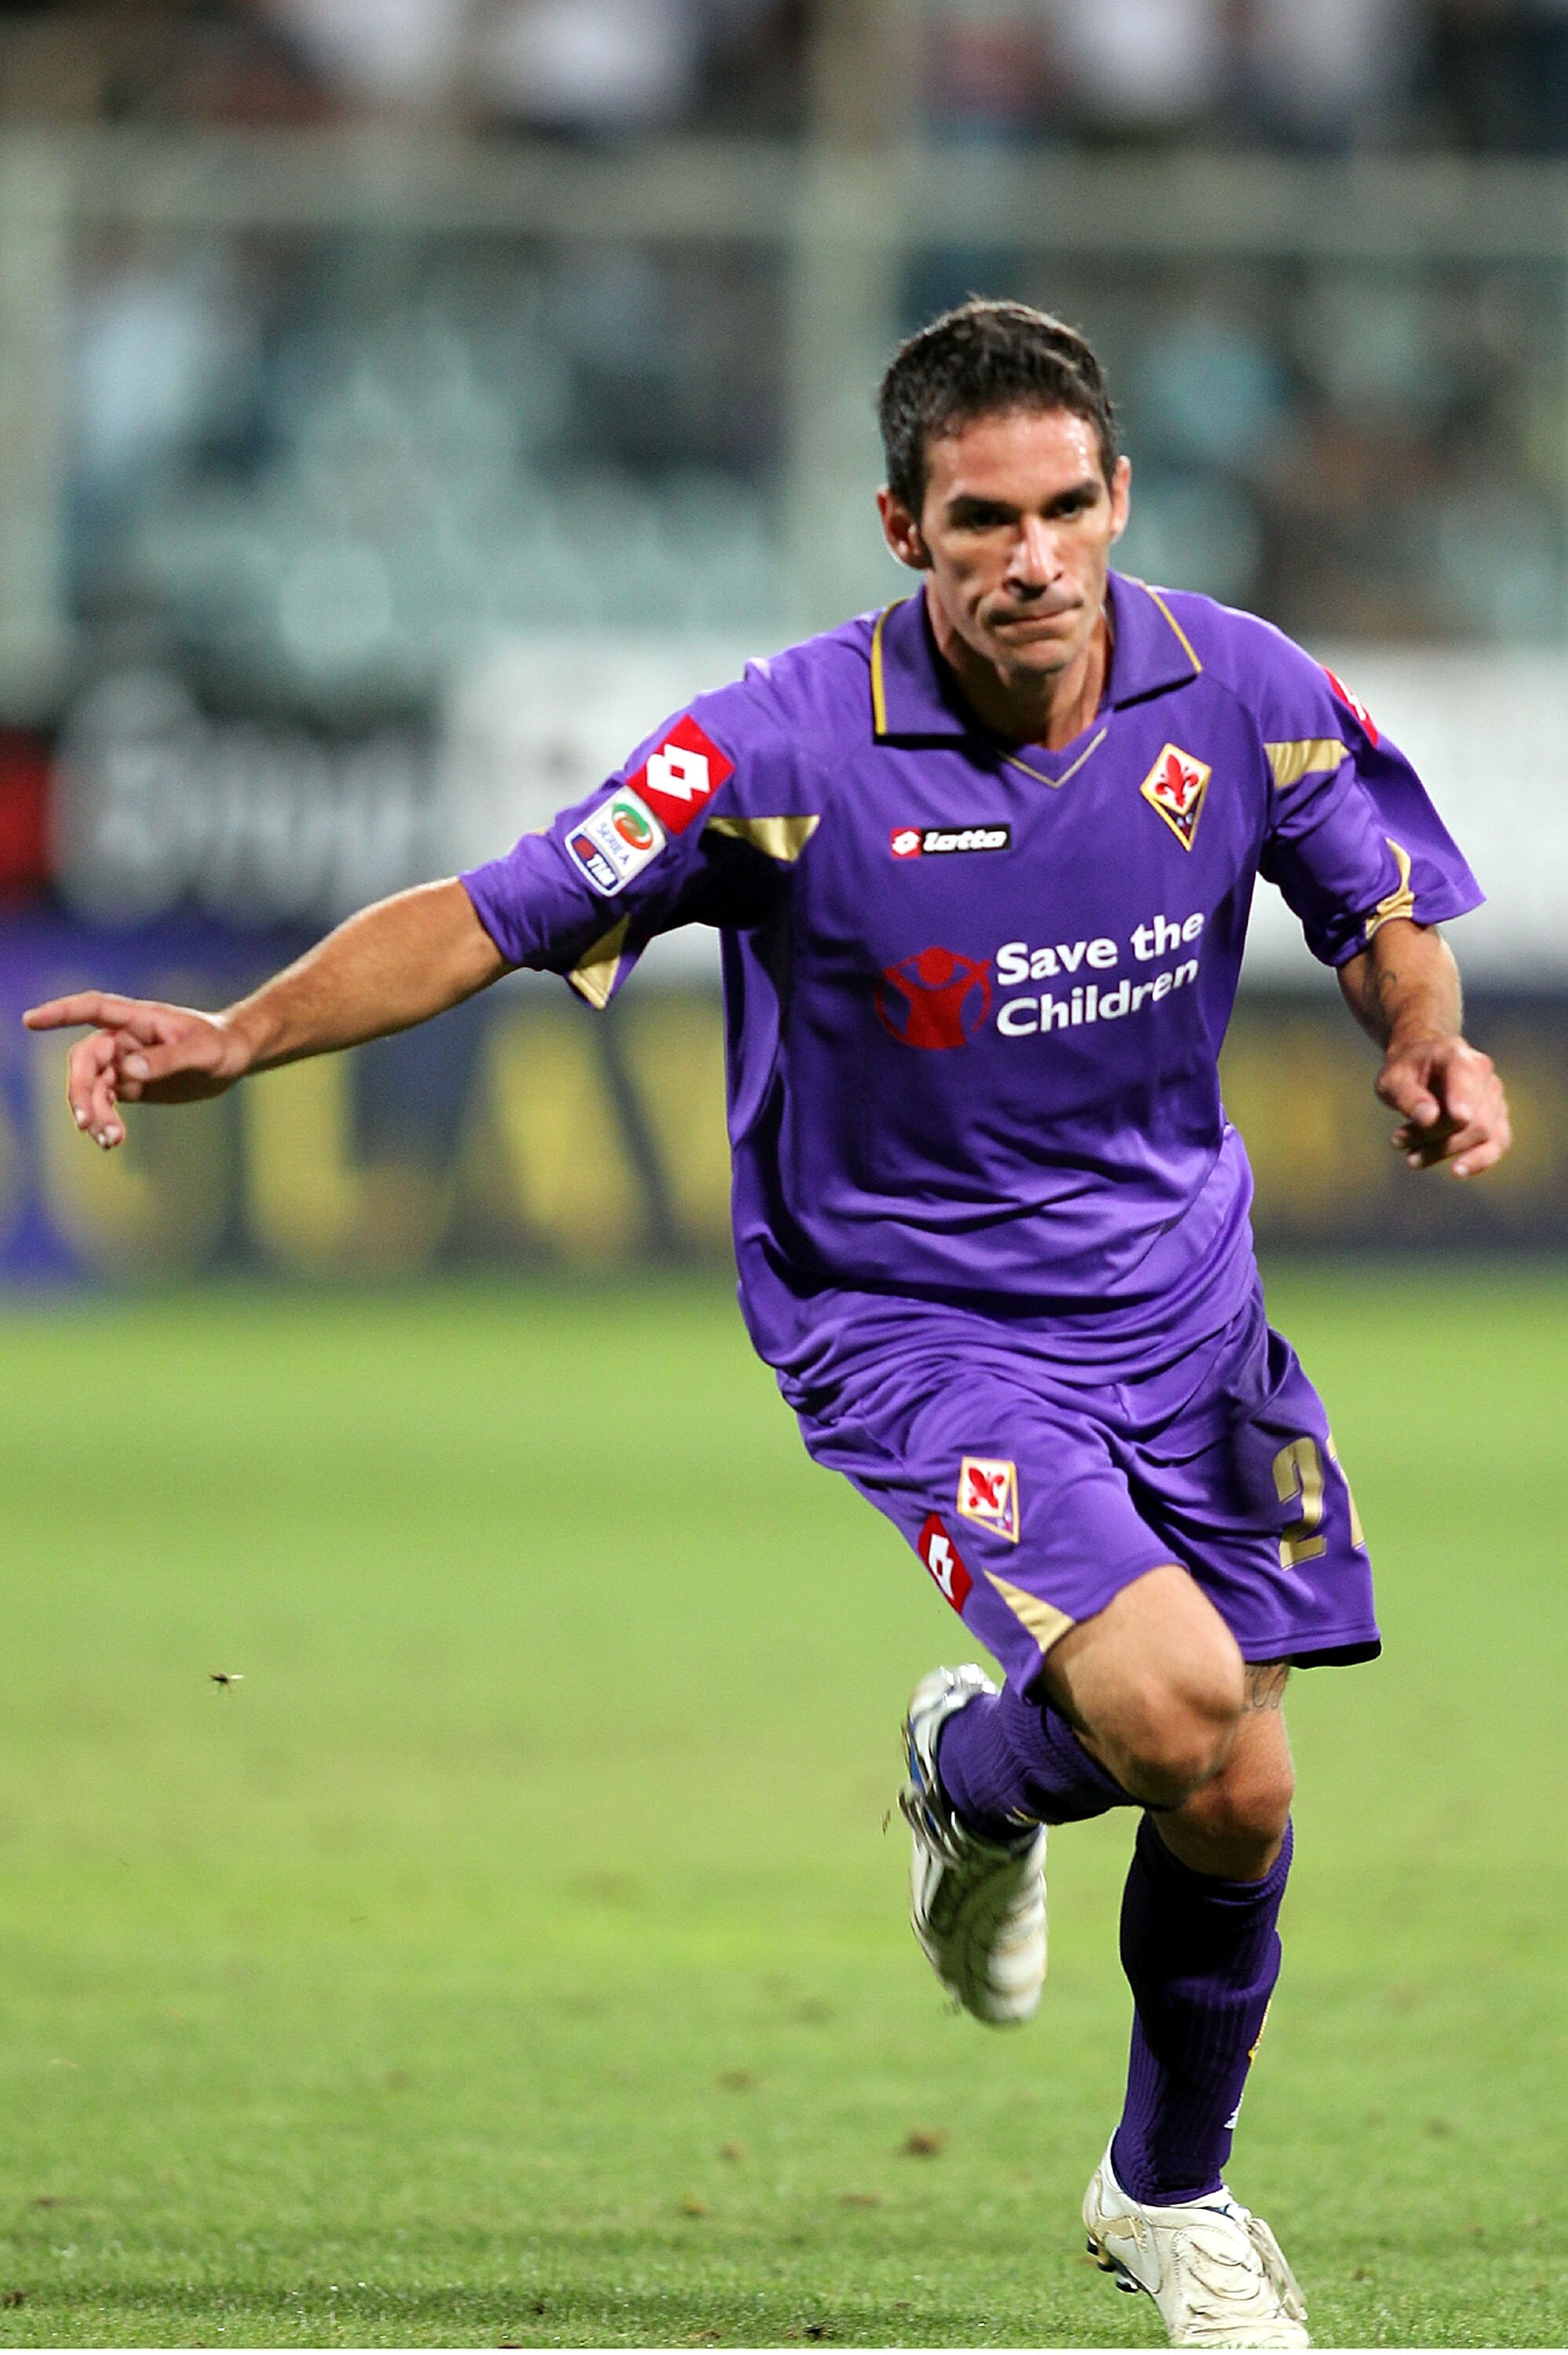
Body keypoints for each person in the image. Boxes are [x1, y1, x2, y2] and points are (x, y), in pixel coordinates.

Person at [26, 301, 1510, 2350]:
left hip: (1193, 1312)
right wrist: (241, 1037)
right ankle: (998, 1800)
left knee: (1242, 1795)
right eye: (983, 517)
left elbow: (1382, 911)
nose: (1036, 557)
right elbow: (492, 908)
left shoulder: (1233, 688)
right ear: (902, 524)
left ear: (1121, 498)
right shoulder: (779, 753)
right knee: (1172, 1710)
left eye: (1070, 506)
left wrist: (1428, 1047)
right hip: (919, 1325)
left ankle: (1144, 2148)